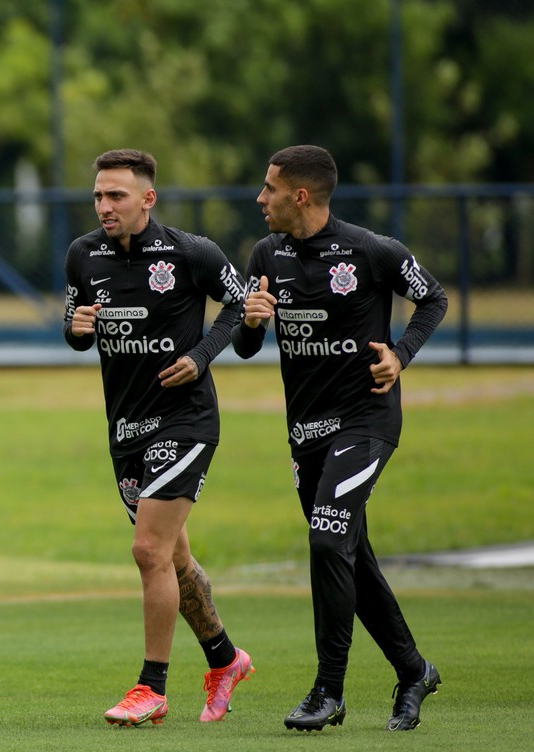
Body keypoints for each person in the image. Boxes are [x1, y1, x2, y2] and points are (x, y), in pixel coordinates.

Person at [232, 144, 447, 732]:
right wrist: (251, 323)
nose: (260, 199)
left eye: (269, 188)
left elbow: (433, 298)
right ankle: (413, 670)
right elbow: (247, 346)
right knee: (349, 556)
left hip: (365, 421)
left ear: (300, 195)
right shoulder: (265, 255)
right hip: (306, 432)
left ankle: (328, 690)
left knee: (328, 542)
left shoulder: (371, 251)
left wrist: (399, 356)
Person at [64, 149, 254, 727]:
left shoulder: (192, 253)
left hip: (186, 420)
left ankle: (152, 687)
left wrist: (201, 356)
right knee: (173, 557)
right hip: (126, 428)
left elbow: (239, 307)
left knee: (148, 551)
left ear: (147, 198)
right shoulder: (82, 255)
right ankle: (225, 659)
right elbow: (76, 328)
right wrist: (75, 328)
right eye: (99, 195)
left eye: (116, 195)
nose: (104, 206)